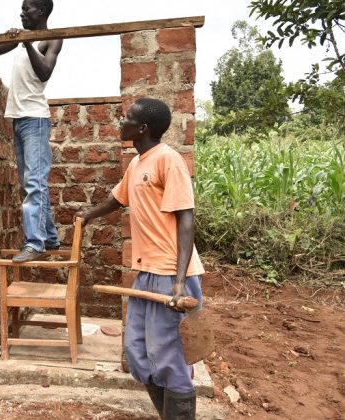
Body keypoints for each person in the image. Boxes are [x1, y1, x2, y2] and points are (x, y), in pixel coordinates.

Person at [78, 98, 203, 419]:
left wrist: (178, 282)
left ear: (143, 128)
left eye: (127, 117)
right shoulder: (136, 164)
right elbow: (117, 199)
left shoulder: (168, 160)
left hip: (171, 275)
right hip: (146, 274)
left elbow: (186, 219)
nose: (121, 121)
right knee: (137, 353)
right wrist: (88, 214)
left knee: (167, 357)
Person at [0, 0, 63, 263]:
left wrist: (27, 42)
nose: (22, 12)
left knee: (34, 182)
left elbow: (44, 73)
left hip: (36, 118)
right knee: (32, 182)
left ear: (41, 12)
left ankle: (34, 243)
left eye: (27, 8)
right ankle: (49, 237)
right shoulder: (20, 41)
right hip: (19, 119)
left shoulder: (52, 39)